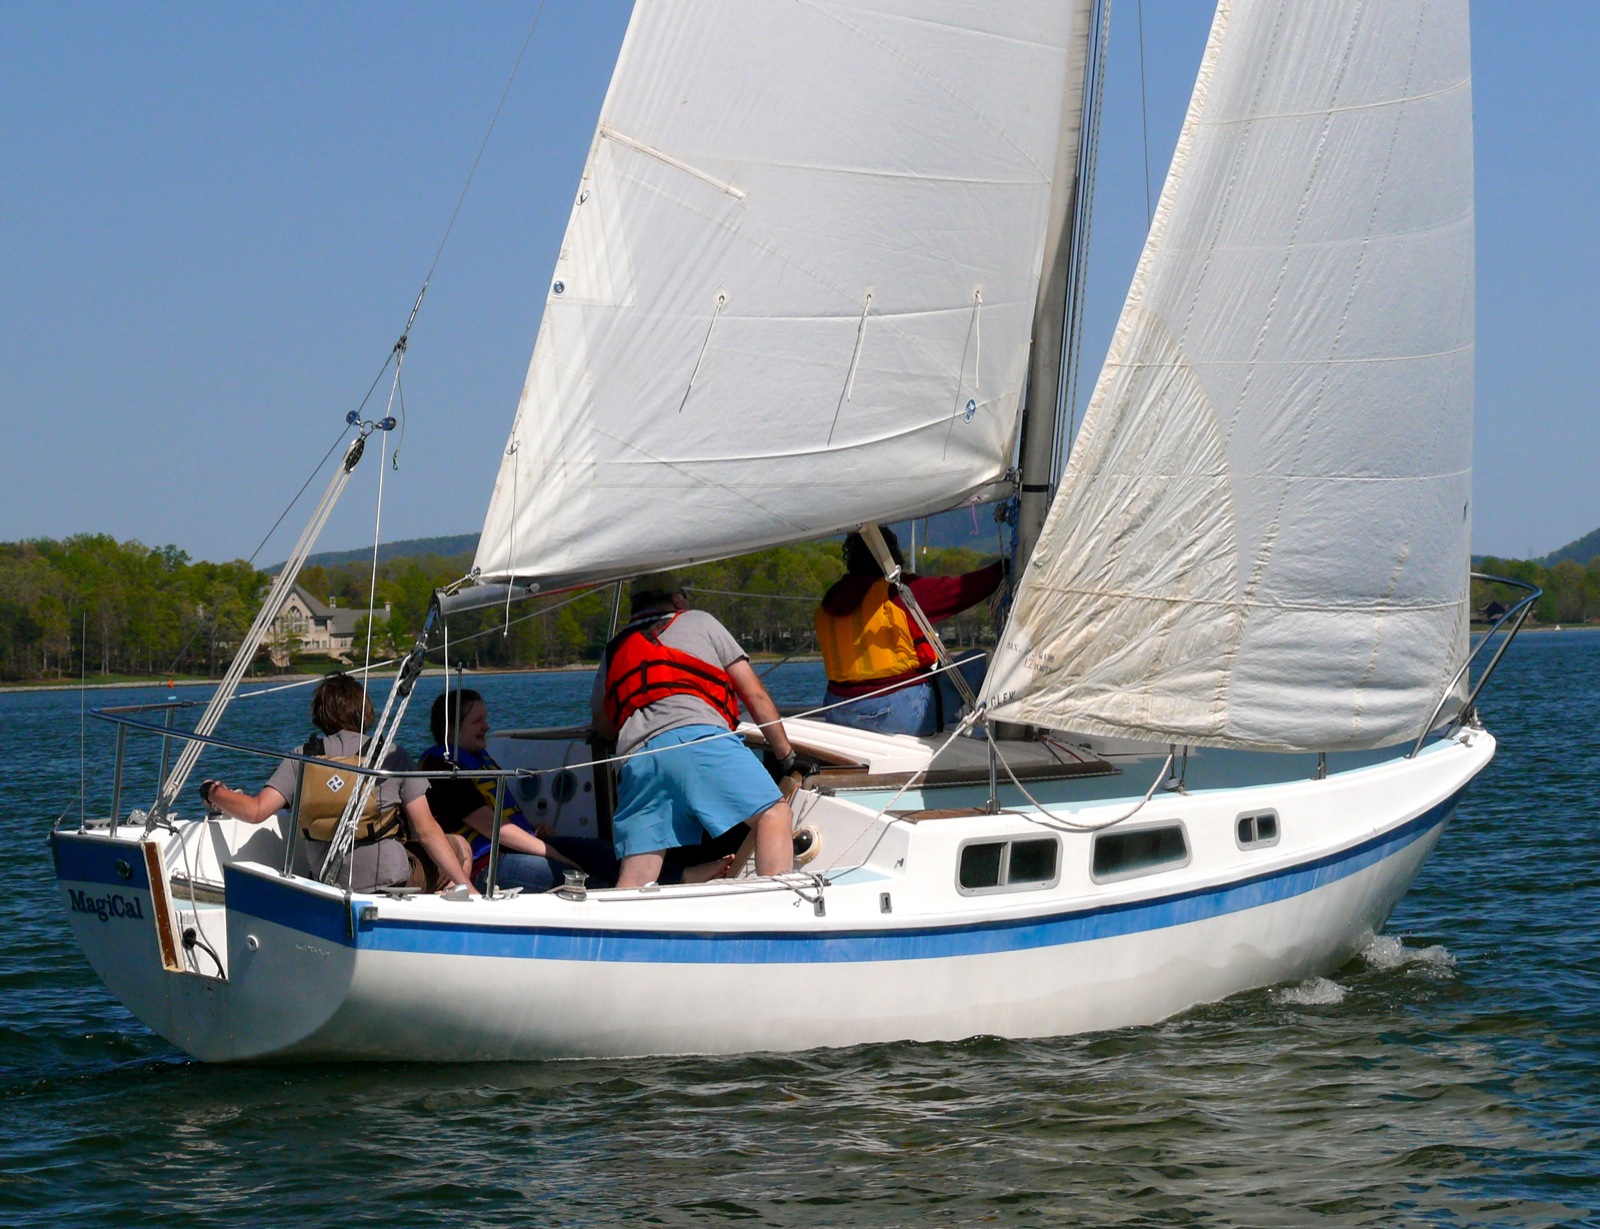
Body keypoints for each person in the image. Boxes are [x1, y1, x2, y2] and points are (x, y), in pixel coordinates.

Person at [591, 572, 798, 889]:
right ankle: (774, 910)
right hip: (699, 743)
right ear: (676, 599)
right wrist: (785, 756)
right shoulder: (701, 622)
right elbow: (754, 695)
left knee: (638, 873)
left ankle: (619, 931)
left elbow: (604, 725)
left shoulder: (613, 650)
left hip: (639, 761)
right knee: (774, 815)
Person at [201, 673, 475, 894]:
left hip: (330, 881)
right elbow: (426, 830)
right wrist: (469, 886)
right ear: (365, 711)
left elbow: (255, 811)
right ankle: (456, 896)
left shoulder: (301, 757)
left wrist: (214, 791)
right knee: (460, 845)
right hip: (392, 879)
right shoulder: (391, 755)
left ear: (320, 714)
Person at [421, 689, 620, 892]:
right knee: (581, 882)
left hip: (515, 848)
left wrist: (534, 830)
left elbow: (503, 817)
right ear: (452, 729)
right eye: (477, 721)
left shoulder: (479, 759)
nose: (486, 726)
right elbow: (491, 826)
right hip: (486, 864)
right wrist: (550, 852)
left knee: (606, 855)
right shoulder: (442, 768)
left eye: (485, 719)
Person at [814, 528, 1004, 736]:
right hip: (895, 715)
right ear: (890, 556)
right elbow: (958, 590)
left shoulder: (832, 598)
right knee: (979, 660)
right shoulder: (897, 592)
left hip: (836, 711)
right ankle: (1002, 732)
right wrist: (1003, 570)